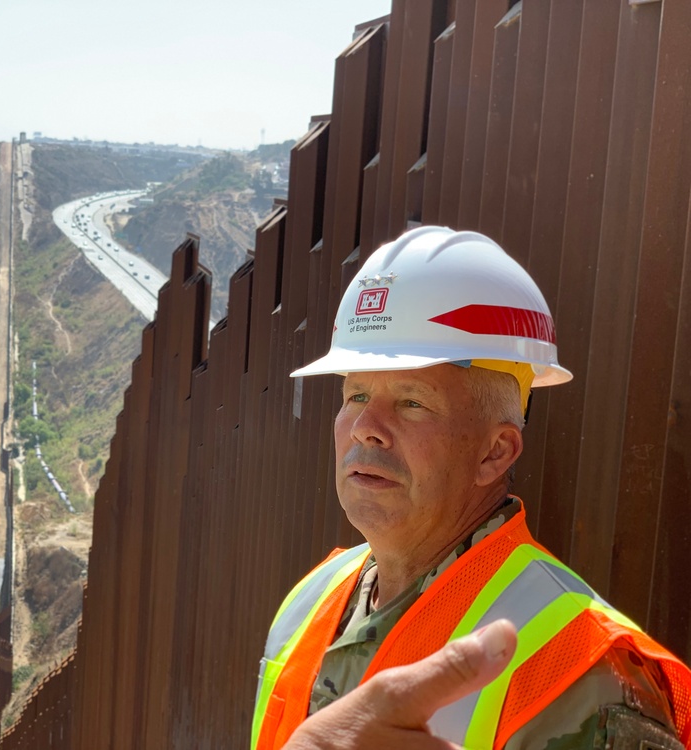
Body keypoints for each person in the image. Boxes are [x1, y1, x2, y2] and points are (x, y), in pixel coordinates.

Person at [252, 226, 691, 750]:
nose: (366, 425)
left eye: (412, 401)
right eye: (356, 394)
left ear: (495, 452)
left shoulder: (578, 666)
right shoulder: (311, 601)